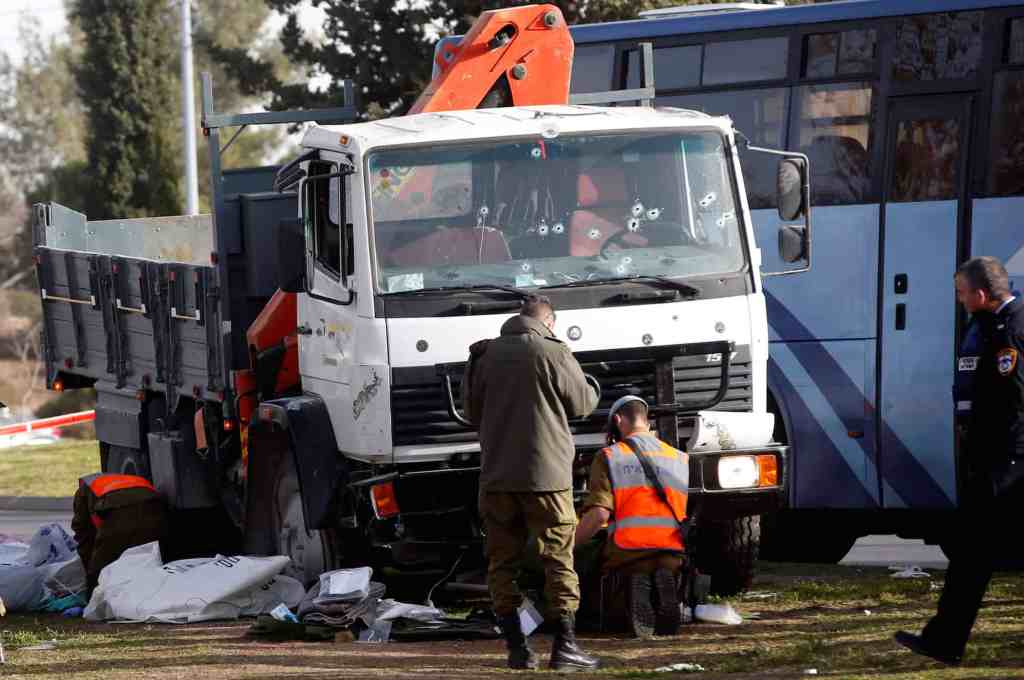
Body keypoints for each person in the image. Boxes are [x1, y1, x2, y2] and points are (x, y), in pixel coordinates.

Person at [895, 256, 1024, 665]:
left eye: (962, 293)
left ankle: (945, 641)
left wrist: (989, 453)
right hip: (999, 461)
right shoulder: (994, 324)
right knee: (972, 554)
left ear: (981, 294)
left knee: (971, 552)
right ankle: (944, 640)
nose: (959, 299)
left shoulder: (1011, 329)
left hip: (1004, 462)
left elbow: (1014, 400)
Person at [463, 294, 600, 671]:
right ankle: (566, 647)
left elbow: (471, 412)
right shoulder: (553, 351)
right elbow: (582, 405)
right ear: (549, 322)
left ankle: (517, 649)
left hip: (497, 478)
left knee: (501, 563)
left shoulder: (484, 355)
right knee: (558, 559)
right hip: (547, 479)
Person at [575, 396, 689, 637]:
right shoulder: (679, 458)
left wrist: (569, 545)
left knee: (586, 557)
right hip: (672, 554)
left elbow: (598, 515)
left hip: (628, 554)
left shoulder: (609, 455)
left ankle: (632, 590)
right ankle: (663, 588)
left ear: (617, 420)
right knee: (661, 565)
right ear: (647, 423)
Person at [71, 472, 168, 592]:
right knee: (150, 562)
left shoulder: (84, 490)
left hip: (117, 508)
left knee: (99, 573)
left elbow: (83, 533)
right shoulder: (119, 479)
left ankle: (93, 607)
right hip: (154, 505)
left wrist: (89, 570)